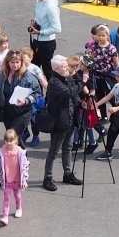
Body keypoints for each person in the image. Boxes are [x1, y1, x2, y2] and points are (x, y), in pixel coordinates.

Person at [40, 54, 79, 191]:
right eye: (64, 66)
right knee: (54, 151)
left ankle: (67, 173)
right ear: (57, 68)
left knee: (68, 148)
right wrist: (82, 83)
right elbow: (68, 93)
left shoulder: (66, 78)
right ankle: (48, 178)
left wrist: (81, 103)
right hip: (58, 121)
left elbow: (73, 96)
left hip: (69, 120)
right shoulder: (54, 82)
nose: (67, 68)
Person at [29, 0, 61, 79]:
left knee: (48, 71)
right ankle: (36, 92)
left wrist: (40, 32)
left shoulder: (51, 7)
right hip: (37, 41)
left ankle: (50, 93)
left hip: (47, 43)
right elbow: (39, 17)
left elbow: (57, 28)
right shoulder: (39, 2)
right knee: (33, 68)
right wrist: (35, 22)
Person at [0, 128, 28, 225]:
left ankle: (19, 208)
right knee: (6, 199)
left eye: (11, 141)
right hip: (7, 180)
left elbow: (25, 166)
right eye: (6, 141)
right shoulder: (1, 152)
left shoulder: (20, 152)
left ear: (16, 140)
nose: (8, 143)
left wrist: (25, 180)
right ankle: (5, 217)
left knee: (17, 196)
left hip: (17, 179)